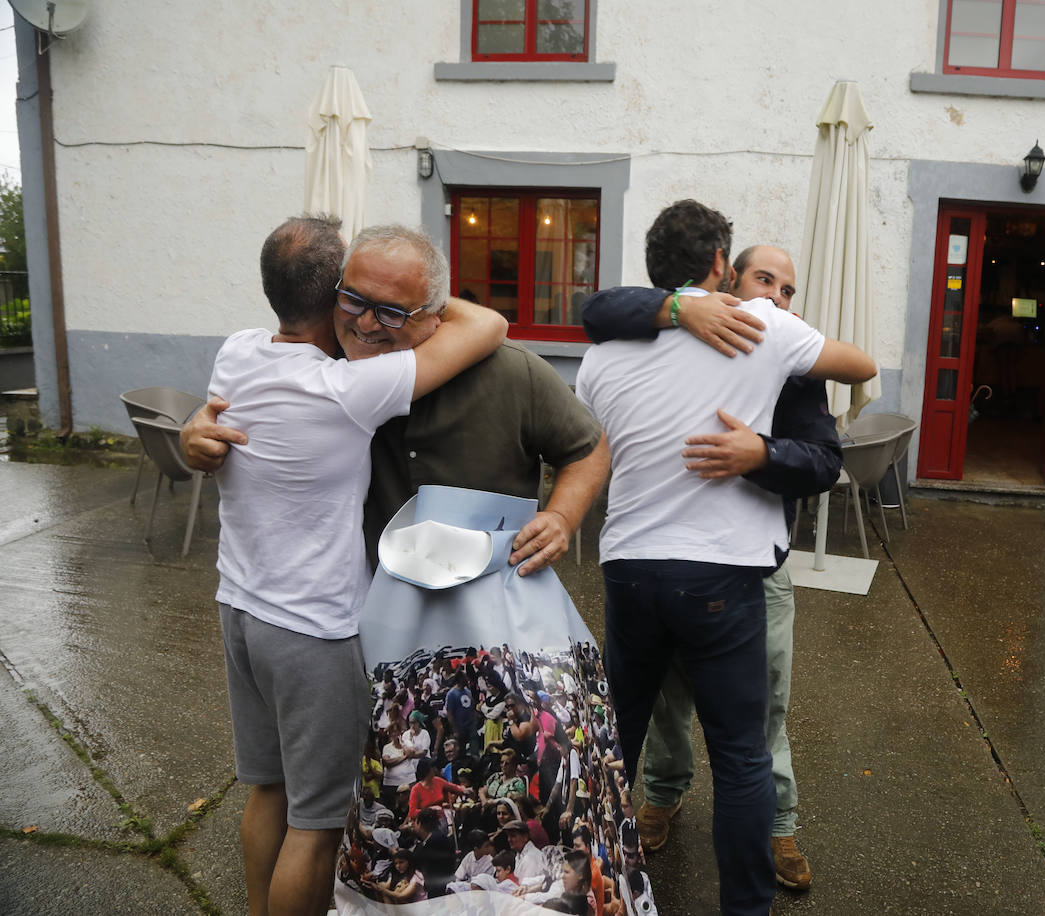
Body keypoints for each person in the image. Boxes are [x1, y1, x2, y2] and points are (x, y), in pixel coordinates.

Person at [575, 199, 876, 916]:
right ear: (722, 268)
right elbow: (861, 362)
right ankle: (745, 907)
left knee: (617, 738)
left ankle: (599, 889)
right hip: (719, 571)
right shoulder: (765, 329)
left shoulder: (600, 358)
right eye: (764, 278)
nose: (778, 297)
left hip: (630, 569)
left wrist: (763, 453)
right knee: (740, 755)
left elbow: (598, 324)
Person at [208, 218, 506, 916]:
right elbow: (487, 324)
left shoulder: (237, 353)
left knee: (267, 791)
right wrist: (415, 293)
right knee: (314, 827)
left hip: (239, 611)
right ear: (335, 293)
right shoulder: (350, 390)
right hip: (310, 633)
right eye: (353, 294)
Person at [183, 224, 610, 578]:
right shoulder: (323, 371)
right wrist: (196, 432)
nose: (366, 324)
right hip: (363, 614)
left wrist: (561, 519)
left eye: (391, 311)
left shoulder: (513, 372)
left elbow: (587, 449)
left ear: (437, 314)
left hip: (484, 612)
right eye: (352, 300)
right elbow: (248, 414)